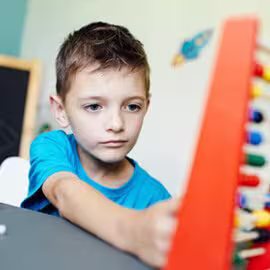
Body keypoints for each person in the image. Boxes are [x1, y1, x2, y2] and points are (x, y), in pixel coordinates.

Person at [21, 22, 178, 267]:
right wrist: (134, 232)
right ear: (61, 110)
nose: (116, 123)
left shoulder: (156, 199)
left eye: (132, 106)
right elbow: (65, 193)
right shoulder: (52, 146)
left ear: (146, 107)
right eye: (94, 106)